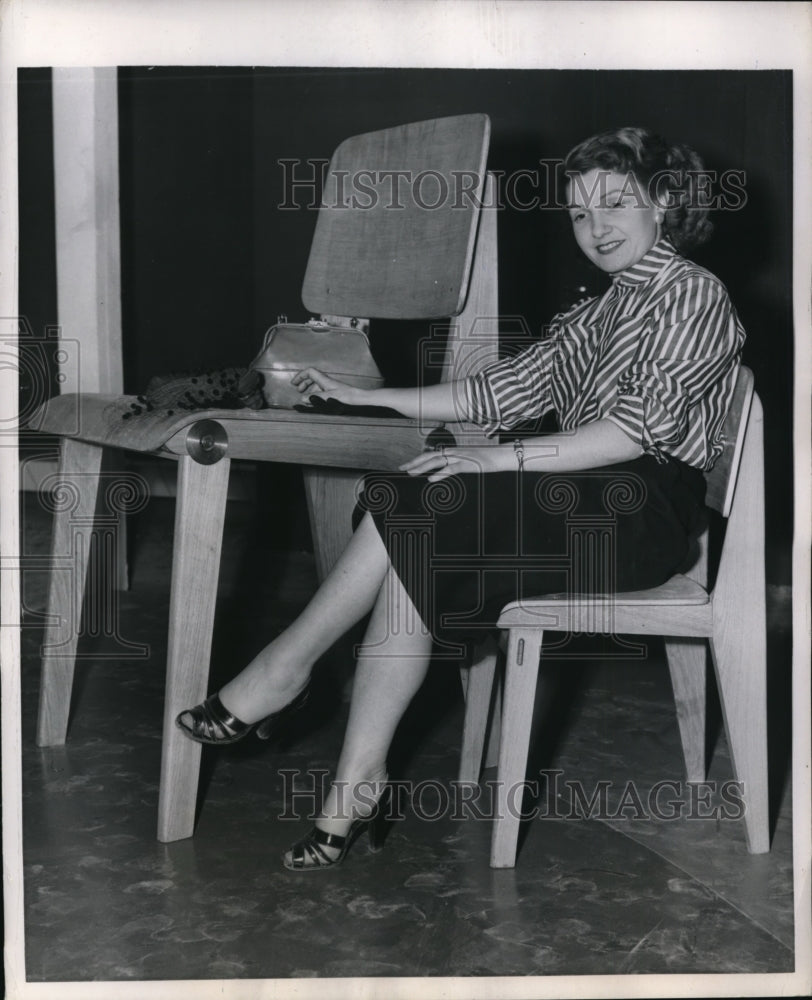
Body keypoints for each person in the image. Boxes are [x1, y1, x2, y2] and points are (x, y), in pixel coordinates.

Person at [176, 126, 745, 871]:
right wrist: (367, 396)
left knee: (441, 491)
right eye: (578, 213)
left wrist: (494, 459)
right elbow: (497, 389)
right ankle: (354, 778)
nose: (596, 227)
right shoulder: (601, 308)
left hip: (642, 511)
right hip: (580, 495)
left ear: (664, 201)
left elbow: (628, 436)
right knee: (422, 498)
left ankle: (285, 672)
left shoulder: (693, 293)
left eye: (614, 204)